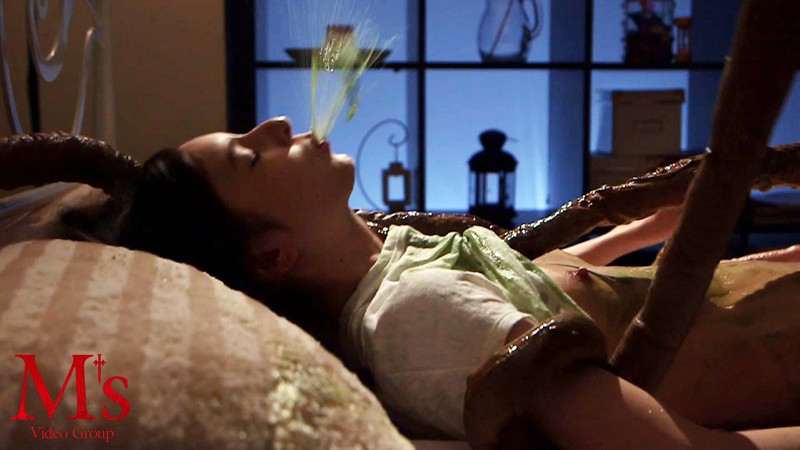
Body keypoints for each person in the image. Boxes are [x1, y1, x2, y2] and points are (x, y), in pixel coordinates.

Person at [110, 116, 800, 448]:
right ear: (272, 256)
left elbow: (529, 280)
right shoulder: (419, 315)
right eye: (251, 158)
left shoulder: (402, 260)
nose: (278, 124)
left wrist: (648, 232)